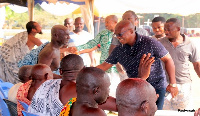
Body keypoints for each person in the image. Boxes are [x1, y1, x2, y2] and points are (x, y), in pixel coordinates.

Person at [96, 20, 178, 110]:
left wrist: (173, 84)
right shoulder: (119, 50)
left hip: (156, 88)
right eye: (116, 35)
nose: (118, 37)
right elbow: (104, 66)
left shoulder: (150, 42)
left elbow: (168, 59)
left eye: (120, 34)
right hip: (136, 89)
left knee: (155, 113)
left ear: (131, 31)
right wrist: (84, 72)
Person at [28, 54, 116, 116]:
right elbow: (119, 105)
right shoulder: (83, 91)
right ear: (83, 70)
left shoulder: (47, 84)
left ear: (60, 71)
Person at [159, 18, 200, 110]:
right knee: (164, 113)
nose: (166, 32)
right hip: (165, 86)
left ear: (178, 29)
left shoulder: (190, 44)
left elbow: (197, 65)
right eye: (165, 29)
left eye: (169, 29)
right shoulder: (160, 43)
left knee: (184, 112)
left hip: (184, 86)